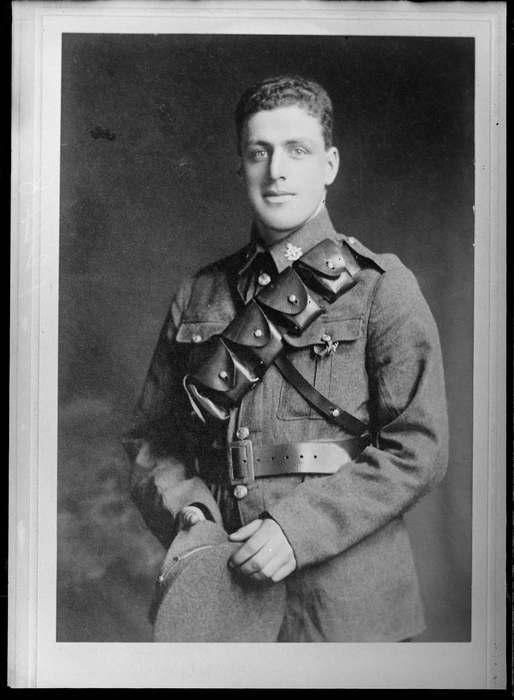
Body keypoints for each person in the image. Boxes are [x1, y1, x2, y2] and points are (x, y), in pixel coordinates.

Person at [123, 75, 449, 642]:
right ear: (242, 165)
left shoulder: (381, 287)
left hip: (347, 605)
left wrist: (297, 531)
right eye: (259, 152)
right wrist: (191, 518)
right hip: (223, 593)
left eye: (297, 150)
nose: (276, 170)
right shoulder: (197, 294)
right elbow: (152, 442)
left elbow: (419, 448)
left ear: (330, 164)